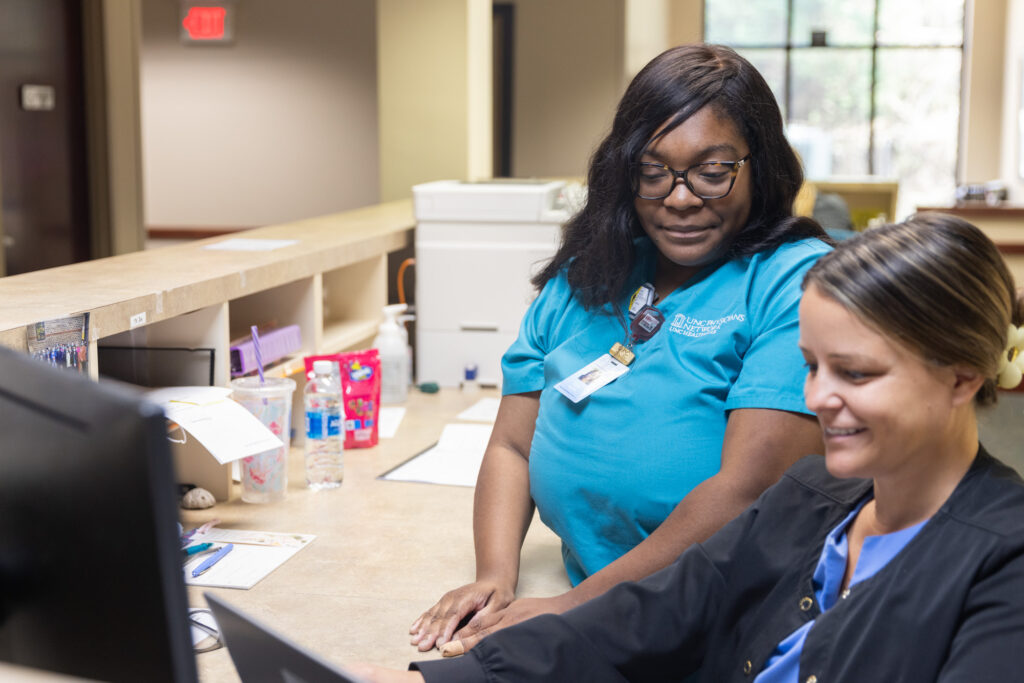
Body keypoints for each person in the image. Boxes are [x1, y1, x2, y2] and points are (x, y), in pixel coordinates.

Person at [356, 213, 1024, 682]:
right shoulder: (809, 496)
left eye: (854, 373)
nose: (816, 397)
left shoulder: (1004, 561)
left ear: (963, 375)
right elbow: (641, 618)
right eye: (810, 366)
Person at [410, 43, 831, 653]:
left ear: (759, 166)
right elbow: (510, 444)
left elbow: (750, 489)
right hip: (591, 597)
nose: (680, 198)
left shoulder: (794, 281)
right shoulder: (589, 274)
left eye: (712, 171)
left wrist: (571, 610)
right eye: (652, 171)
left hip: (721, 618)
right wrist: (496, 576)